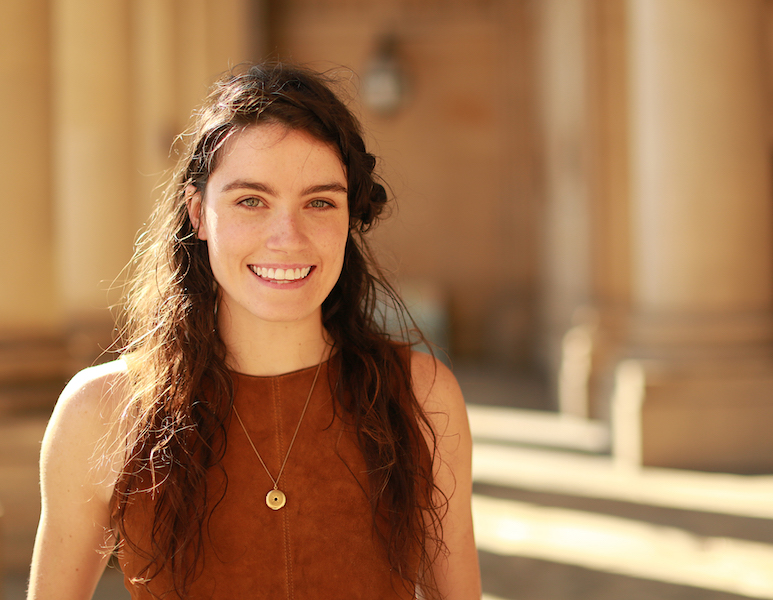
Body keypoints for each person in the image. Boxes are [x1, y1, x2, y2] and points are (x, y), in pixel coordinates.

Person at [27, 62, 481, 600]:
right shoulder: (100, 411)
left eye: (319, 202)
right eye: (251, 201)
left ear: (348, 218)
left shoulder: (422, 396)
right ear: (198, 213)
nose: (287, 238)